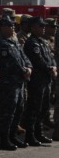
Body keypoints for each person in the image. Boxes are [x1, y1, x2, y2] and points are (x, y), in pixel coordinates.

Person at [0, 18, 32, 150]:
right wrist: (23, 71)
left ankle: (12, 135)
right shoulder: (2, 44)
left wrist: (28, 68)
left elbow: (24, 58)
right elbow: (9, 64)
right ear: (2, 27)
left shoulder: (14, 43)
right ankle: (4, 139)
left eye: (13, 25)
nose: (13, 28)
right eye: (10, 25)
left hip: (19, 82)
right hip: (8, 83)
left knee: (18, 110)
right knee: (8, 111)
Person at [22, 16, 56, 145]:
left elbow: (50, 57)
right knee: (34, 108)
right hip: (37, 80)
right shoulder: (31, 43)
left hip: (46, 79)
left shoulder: (42, 41)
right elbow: (37, 60)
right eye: (40, 26)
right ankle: (30, 136)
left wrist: (53, 66)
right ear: (33, 27)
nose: (43, 28)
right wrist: (49, 68)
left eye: (44, 26)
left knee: (44, 107)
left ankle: (39, 133)